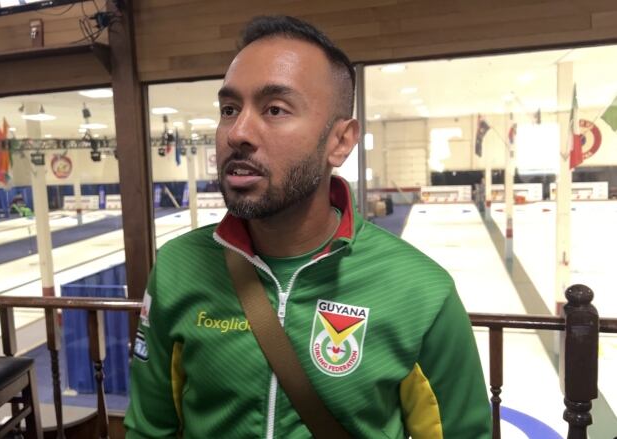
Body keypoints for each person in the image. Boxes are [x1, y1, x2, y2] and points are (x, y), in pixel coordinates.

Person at [124, 15, 491, 438]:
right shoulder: (177, 268)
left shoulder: (421, 293)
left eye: (275, 109)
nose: (237, 132)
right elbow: (150, 430)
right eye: (229, 109)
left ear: (340, 142)